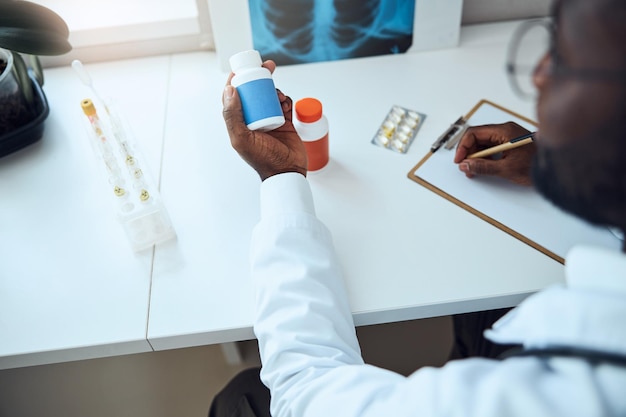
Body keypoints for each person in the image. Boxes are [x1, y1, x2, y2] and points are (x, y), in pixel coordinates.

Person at [210, 0, 626, 415]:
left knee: (239, 399)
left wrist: (280, 177)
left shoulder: (566, 393)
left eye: (573, 63)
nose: (539, 75)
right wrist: (571, 158)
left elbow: (306, 390)